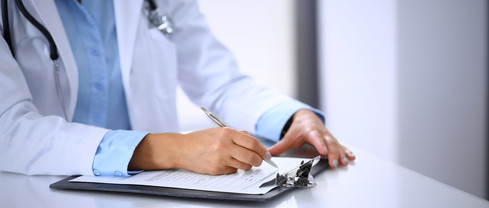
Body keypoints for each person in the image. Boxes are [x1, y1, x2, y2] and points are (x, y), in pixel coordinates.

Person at [0, 0, 355, 177]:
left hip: (149, 205)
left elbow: (218, 81)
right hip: (36, 199)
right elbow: (7, 128)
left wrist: (293, 117)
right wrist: (169, 149)